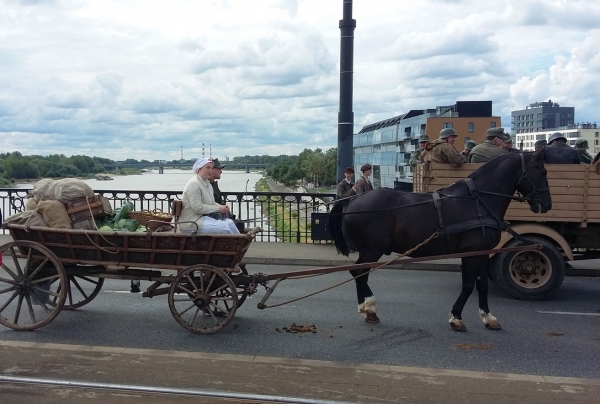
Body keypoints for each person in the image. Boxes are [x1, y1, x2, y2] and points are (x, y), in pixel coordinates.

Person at [179, 157, 240, 234]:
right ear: (199, 169)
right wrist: (218, 209)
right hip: (191, 223)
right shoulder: (194, 183)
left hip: (201, 219)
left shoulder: (207, 184)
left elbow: (211, 203)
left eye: (211, 168)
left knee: (229, 223)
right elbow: (197, 208)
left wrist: (221, 207)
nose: (210, 170)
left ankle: (239, 244)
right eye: (208, 167)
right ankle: (232, 245)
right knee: (224, 228)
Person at [210, 158, 245, 232]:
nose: (221, 171)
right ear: (212, 169)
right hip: (214, 219)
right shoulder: (208, 186)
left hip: (218, 217)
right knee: (239, 224)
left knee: (239, 223)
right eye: (219, 169)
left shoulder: (212, 184)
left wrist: (231, 217)